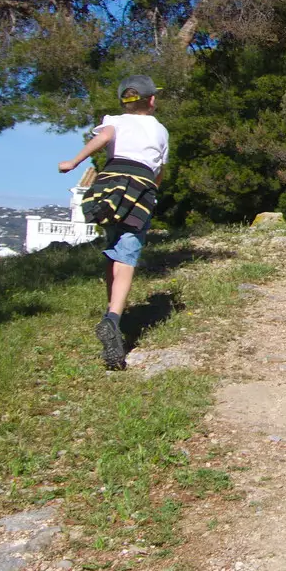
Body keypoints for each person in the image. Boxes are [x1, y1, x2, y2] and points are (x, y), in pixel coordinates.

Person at [58, 76, 169, 369]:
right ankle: (113, 318)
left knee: (113, 245)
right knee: (128, 253)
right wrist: (153, 192)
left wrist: (74, 161)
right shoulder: (160, 130)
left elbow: (104, 138)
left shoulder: (115, 120)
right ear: (152, 100)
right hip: (140, 185)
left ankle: (112, 310)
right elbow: (159, 169)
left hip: (110, 182)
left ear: (124, 101)